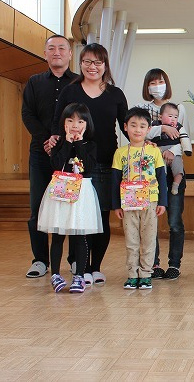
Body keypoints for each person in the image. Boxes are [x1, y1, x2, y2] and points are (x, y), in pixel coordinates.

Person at [52, 43, 128, 286]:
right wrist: (55, 141)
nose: (92, 67)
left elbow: (127, 127)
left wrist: (143, 144)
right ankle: (80, 266)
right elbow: (58, 123)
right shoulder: (70, 91)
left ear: (105, 65)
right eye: (87, 62)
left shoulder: (115, 94)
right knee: (78, 217)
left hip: (106, 162)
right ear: (81, 63)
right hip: (76, 166)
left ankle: (96, 268)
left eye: (97, 62)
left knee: (101, 217)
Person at [21, 34, 78, 278]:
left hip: (71, 154)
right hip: (40, 153)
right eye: (51, 48)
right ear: (45, 54)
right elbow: (27, 114)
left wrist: (61, 140)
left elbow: (82, 116)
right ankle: (40, 261)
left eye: (62, 48)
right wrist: (48, 139)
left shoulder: (78, 82)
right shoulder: (34, 82)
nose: (57, 52)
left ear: (70, 54)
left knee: (71, 206)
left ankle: (75, 260)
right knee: (38, 207)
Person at [37, 103, 103, 293]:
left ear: (87, 124)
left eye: (80, 121)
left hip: (81, 194)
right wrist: (66, 143)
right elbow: (56, 164)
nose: (75, 125)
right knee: (58, 235)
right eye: (70, 120)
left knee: (80, 236)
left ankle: (79, 276)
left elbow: (89, 167)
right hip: (60, 192)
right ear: (63, 123)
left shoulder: (90, 145)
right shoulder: (58, 143)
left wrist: (79, 143)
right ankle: (56, 275)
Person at [136, 68, 188, 281]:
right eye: (153, 82)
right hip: (150, 171)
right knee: (151, 222)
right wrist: (163, 131)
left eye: (160, 81)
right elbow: (140, 135)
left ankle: (174, 264)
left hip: (173, 167)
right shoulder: (142, 109)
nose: (157, 86)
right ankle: (154, 263)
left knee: (174, 221)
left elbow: (184, 138)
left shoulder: (179, 108)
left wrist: (172, 150)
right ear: (147, 86)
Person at [111, 108, 167, 289]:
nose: (137, 130)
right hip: (128, 203)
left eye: (142, 126)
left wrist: (163, 202)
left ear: (148, 129)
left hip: (150, 202)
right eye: (133, 125)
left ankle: (146, 274)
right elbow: (115, 180)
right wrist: (116, 205)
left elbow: (161, 177)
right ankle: (132, 274)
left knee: (149, 239)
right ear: (125, 127)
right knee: (131, 240)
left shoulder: (154, 151)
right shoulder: (120, 153)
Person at [148, 102, 192, 194]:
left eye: (176, 117)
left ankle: (175, 185)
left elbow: (184, 138)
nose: (173, 119)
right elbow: (146, 135)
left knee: (178, 169)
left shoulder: (178, 127)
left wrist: (187, 149)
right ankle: (163, 186)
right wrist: (162, 128)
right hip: (159, 152)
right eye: (170, 116)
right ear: (160, 117)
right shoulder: (154, 124)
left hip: (175, 152)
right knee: (160, 170)